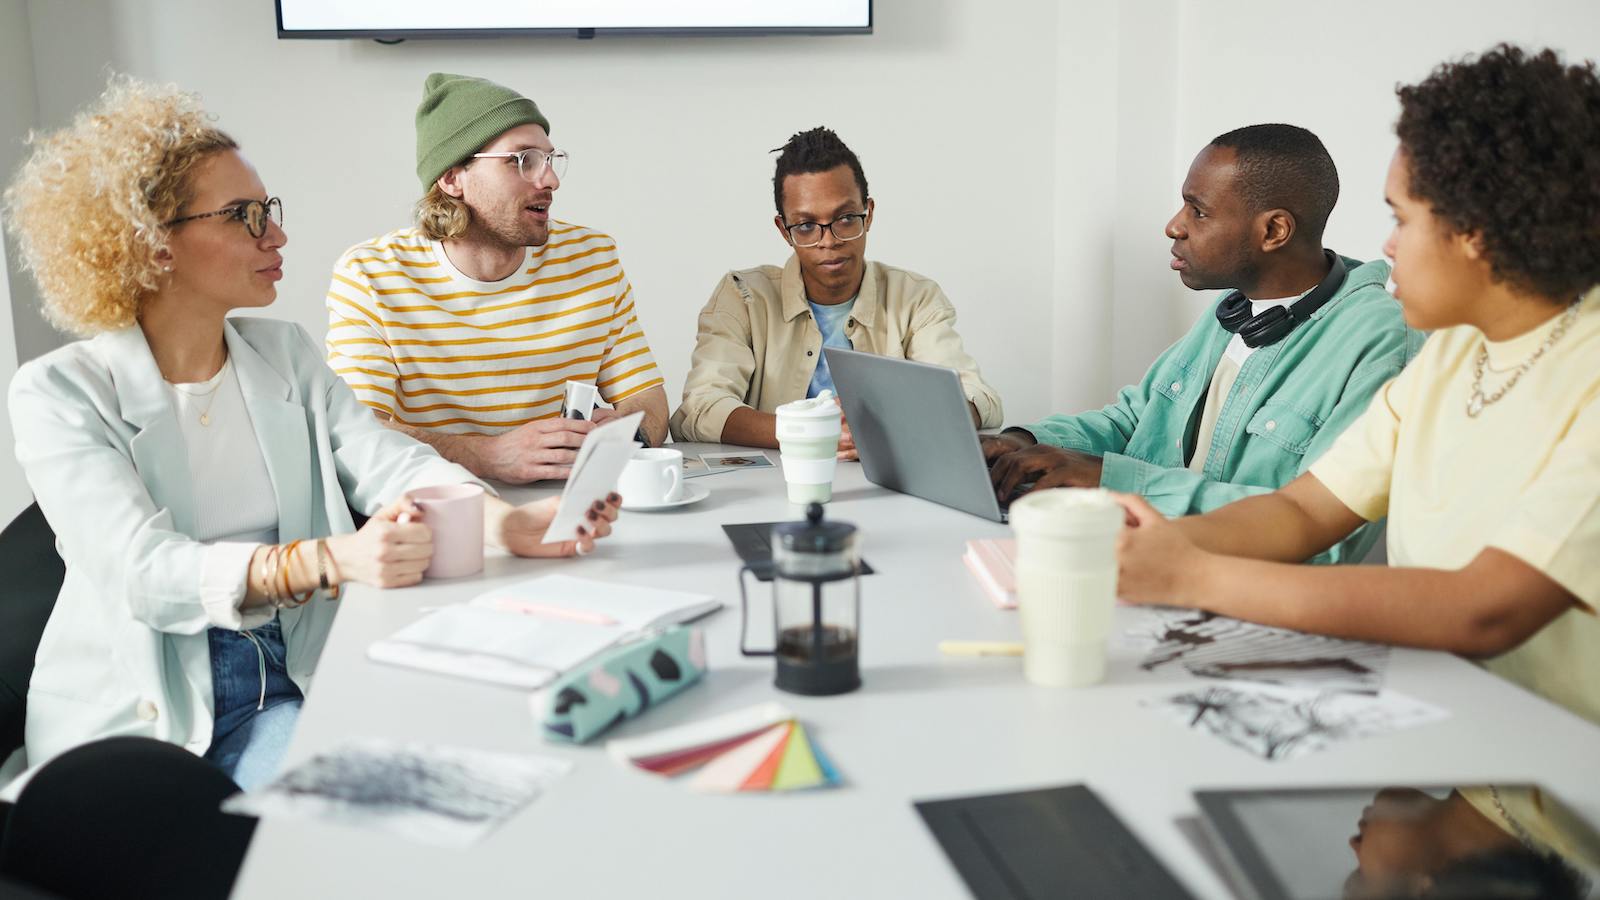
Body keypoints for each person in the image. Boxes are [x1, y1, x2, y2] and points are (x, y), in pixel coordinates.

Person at [1, 78, 621, 792]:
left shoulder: (284, 354)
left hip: (291, 670)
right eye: (245, 215)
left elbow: (390, 462)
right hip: (145, 717)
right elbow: (143, 571)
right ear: (152, 246)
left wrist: (508, 524)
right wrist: (333, 559)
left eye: (269, 210)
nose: (277, 234)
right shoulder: (59, 392)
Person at [1113, 45, 1600, 725]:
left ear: (1477, 233)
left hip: (1562, 776)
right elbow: (1304, 513)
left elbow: (1486, 610)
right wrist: (1155, 541)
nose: (1388, 245)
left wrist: (1192, 575)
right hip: (1457, 734)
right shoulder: (1452, 351)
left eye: (1401, 218)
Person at [985, 125, 1420, 562]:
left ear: (1274, 231)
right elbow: (1135, 420)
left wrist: (1113, 480)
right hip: (1152, 559)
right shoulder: (1235, 310)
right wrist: (1026, 443)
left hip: (1246, 593)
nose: (1174, 226)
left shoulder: (1379, 340)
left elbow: (1327, 541)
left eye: (1198, 211)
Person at [326, 73, 669, 483]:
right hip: (439, 509)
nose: (550, 180)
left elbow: (646, 397)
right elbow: (357, 432)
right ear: (452, 177)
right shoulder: (372, 276)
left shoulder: (591, 258)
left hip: (568, 504)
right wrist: (486, 455)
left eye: (549, 159)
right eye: (522, 161)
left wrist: (626, 437)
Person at [669, 127, 1003, 459]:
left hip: (889, 489)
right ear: (784, 230)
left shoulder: (916, 298)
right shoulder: (743, 298)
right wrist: (811, 431)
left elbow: (977, 397)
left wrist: (895, 422)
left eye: (845, 219)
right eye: (805, 226)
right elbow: (700, 410)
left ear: (868, 213)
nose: (828, 241)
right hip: (774, 489)